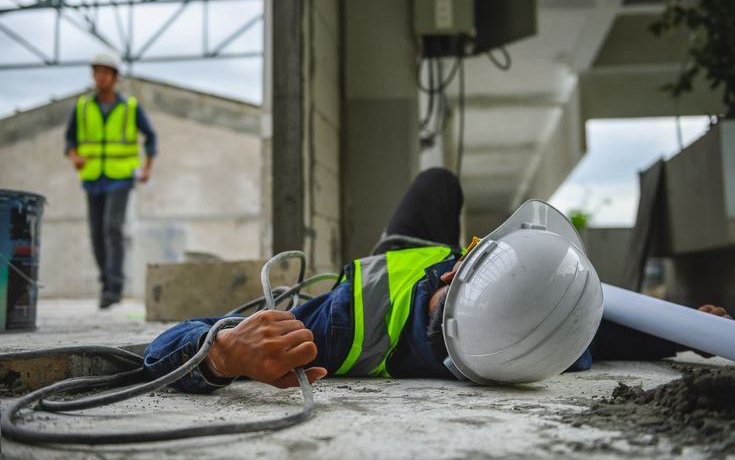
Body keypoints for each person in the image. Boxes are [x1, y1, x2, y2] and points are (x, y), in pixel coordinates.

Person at [143, 168, 731, 392]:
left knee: (435, 182)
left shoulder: (339, 334)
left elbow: (158, 354)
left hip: (395, 261)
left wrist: (221, 356)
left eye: (468, 262)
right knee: (442, 185)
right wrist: (683, 330)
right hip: (436, 278)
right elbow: (613, 333)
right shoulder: (549, 342)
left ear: (454, 270)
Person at [65, 52, 158, 309]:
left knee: (112, 227)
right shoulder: (82, 107)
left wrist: (147, 167)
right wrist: (74, 157)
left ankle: (114, 288)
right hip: (93, 176)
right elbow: (70, 140)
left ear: (115, 77)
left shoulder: (130, 107)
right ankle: (106, 283)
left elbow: (150, 137)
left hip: (120, 176)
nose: (101, 77)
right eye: (97, 72)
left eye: (106, 72)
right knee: (96, 232)